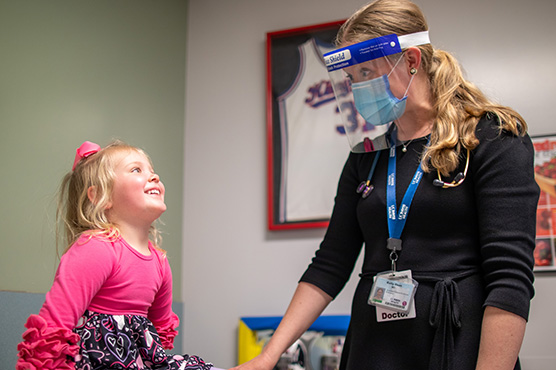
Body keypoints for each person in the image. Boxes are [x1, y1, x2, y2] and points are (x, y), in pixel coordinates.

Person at [231, 0, 539, 369]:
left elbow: (509, 279)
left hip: (454, 343)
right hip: (374, 348)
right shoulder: (367, 155)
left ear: (411, 61)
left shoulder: (491, 138)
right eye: (352, 78)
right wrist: (268, 356)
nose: (359, 87)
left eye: (367, 72)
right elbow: (330, 263)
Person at [16, 140, 216, 370]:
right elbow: (55, 324)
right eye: (136, 170)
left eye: (152, 170)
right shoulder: (97, 247)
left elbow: (159, 331)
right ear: (101, 195)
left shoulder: (159, 262)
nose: (155, 176)